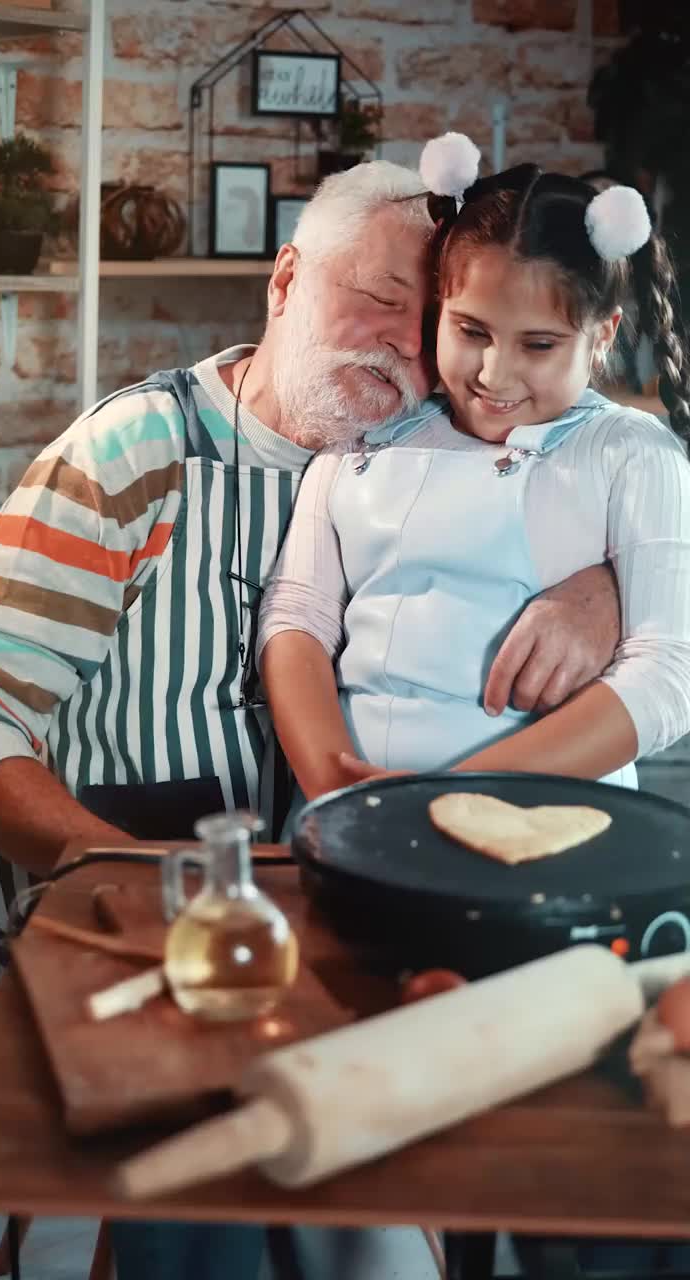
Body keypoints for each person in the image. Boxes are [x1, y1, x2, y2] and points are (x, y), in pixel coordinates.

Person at [0, 156, 620, 1280]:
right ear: (283, 282)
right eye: (372, 299)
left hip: (323, 964)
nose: (402, 348)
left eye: (428, 323)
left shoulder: (444, 452)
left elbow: (599, 421)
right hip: (79, 947)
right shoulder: (133, 455)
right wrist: (109, 865)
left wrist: (606, 585)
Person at [257, 134, 690, 1278]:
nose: (496, 373)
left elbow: (666, 674)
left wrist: (454, 796)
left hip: (564, 856)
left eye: (541, 344)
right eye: (471, 331)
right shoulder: (365, 450)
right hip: (363, 844)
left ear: (601, 334)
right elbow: (296, 617)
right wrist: (335, 781)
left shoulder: (631, 458)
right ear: (438, 309)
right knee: (361, 1151)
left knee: (552, 1161)